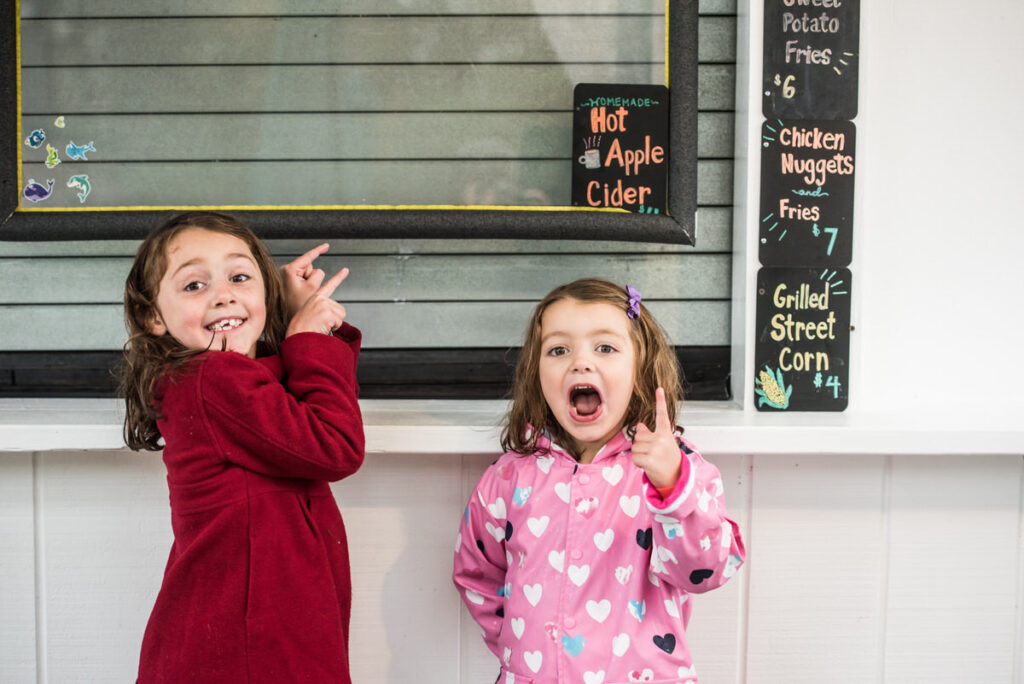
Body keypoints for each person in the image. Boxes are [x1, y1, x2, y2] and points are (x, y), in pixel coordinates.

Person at [453, 278, 745, 683]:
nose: (580, 362)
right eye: (558, 350)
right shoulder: (508, 476)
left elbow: (707, 569)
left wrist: (673, 488)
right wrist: (518, 645)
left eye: (605, 348)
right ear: (536, 371)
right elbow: (477, 573)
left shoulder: (676, 468)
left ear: (640, 365)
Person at [121, 211, 364, 683]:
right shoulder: (211, 380)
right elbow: (335, 445)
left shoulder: (231, 384)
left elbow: (288, 401)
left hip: (256, 634)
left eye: (240, 277)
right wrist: (309, 335)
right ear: (153, 316)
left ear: (266, 296)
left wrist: (295, 321)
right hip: (250, 649)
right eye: (194, 285)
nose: (224, 294)